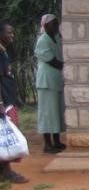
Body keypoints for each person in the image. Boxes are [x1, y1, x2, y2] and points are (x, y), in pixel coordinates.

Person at [0, 21, 28, 184]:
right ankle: (7, 171)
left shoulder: (3, 51)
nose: (12, 35)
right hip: (4, 100)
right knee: (6, 136)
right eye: (9, 32)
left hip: (7, 98)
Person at [35, 14, 66, 154]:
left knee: (56, 112)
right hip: (46, 82)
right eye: (54, 24)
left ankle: (57, 141)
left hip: (56, 80)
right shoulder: (42, 40)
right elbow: (53, 61)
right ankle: (47, 144)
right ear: (46, 25)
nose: (56, 26)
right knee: (48, 113)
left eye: (57, 24)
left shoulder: (57, 38)